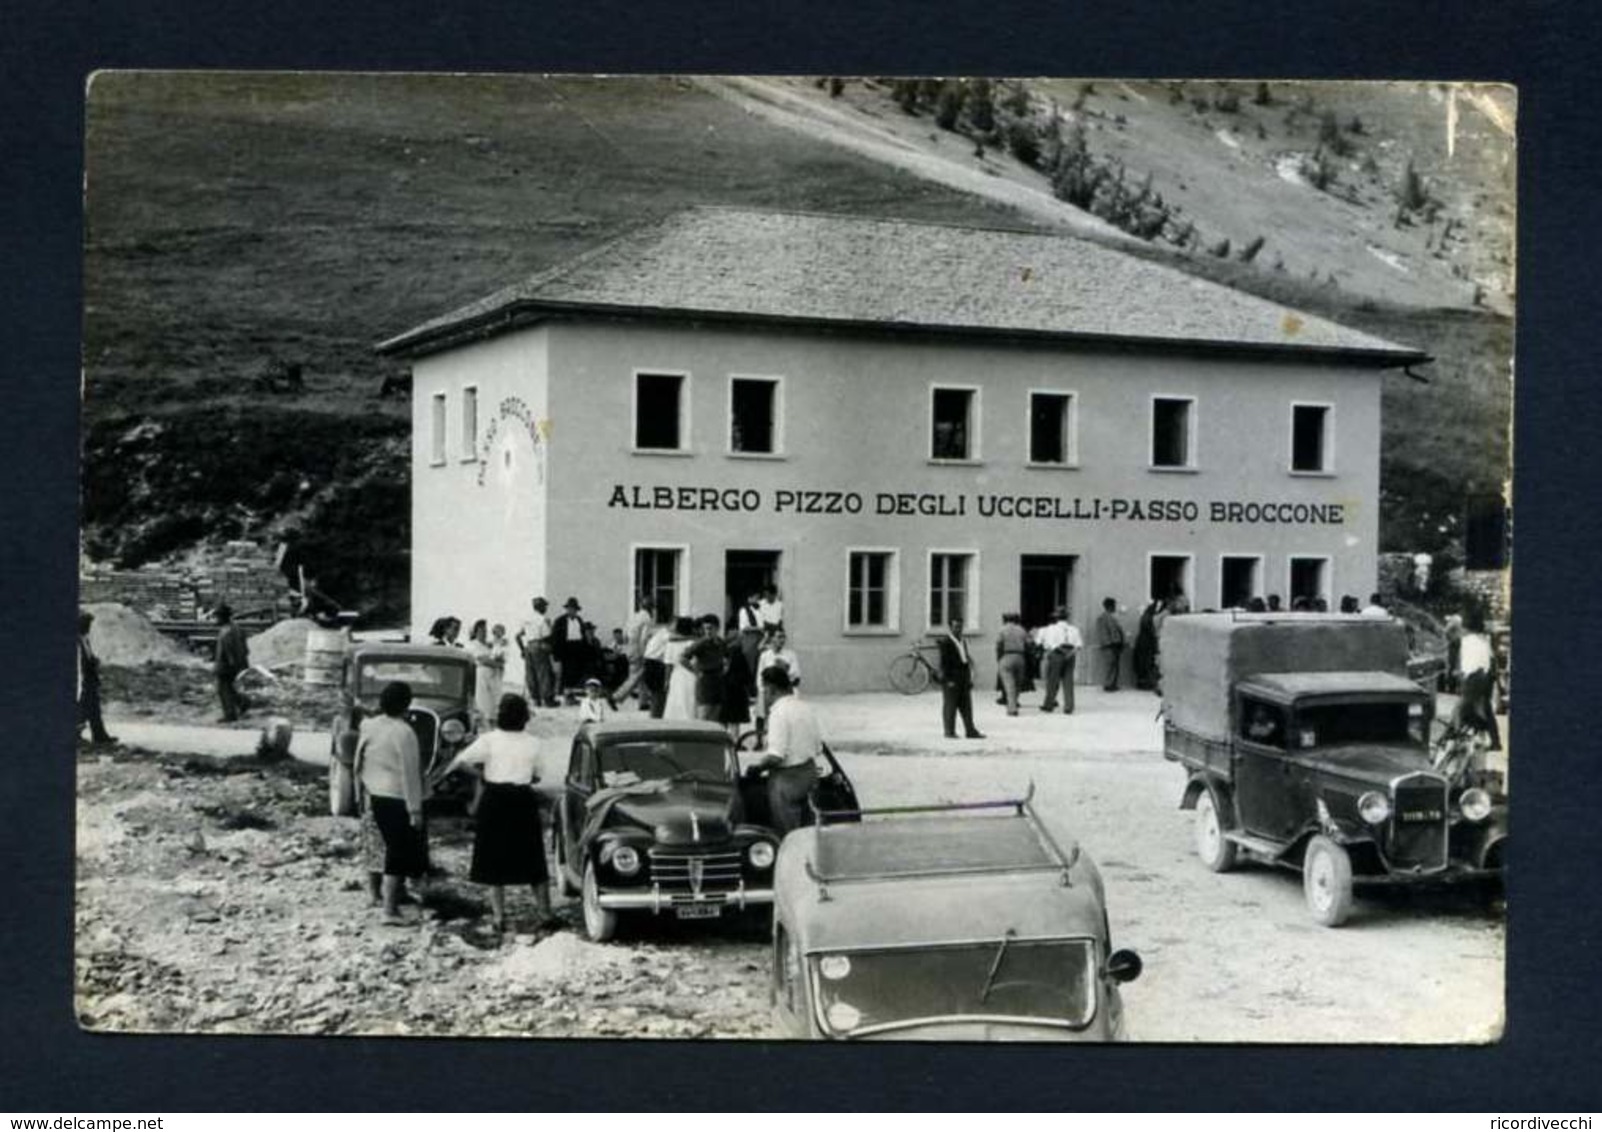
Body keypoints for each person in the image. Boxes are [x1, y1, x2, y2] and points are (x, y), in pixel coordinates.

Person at [440, 693, 554, 932]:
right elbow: (539, 775)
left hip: (495, 798)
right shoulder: (533, 743)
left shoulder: (489, 740)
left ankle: (499, 916)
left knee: (494, 857)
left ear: (500, 715)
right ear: (525, 717)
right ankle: (544, 912)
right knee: (532, 855)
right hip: (522, 798)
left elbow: (460, 761)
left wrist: (480, 775)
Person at [355, 681, 427, 925]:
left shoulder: (369, 725)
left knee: (375, 845)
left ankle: (375, 895)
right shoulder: (405, 732)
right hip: (396, 796)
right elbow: (411, 772)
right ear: (407, 704)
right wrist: (415, 808)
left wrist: (359, 790)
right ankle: (390, 910)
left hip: (371, 792)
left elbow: (358, 760)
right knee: (398, 853)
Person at [753, 666, 822, 834]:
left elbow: (776, 756)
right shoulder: (805, 707)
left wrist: (756, 768)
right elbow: (818, 746)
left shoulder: (778, 713)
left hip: (787, 779)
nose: (764, 695)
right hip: (809, 772)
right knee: (808, 831)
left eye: (764, 690)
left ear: (771, 688)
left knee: (788, 833)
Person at [1454, 610, 1501, 751]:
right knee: (1486, 708)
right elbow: (1491, 660)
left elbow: (1466, 665)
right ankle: (1495, 741)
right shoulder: (1484, 640)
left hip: (1474, 677)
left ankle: (1458, 739)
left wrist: (1461, 676)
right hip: (1487, 676)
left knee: (1460, 709)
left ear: (1466, 627)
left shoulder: (1467, 641)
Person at [935, 617, 984, 740]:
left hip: (963, 674)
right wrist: (948, 680)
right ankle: (949, 731)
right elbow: (944, 662)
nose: (959, 629)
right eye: (956, 626)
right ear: (950, 628)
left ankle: (970, 730)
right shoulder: (946, 642)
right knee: (950, 705)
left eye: (960, 627)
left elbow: (965, 658)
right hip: (952, 676)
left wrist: (969, 677)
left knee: (966, 705)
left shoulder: (963, 641)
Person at [77, 610, 116, 745]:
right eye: (86, 623)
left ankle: (99, 736)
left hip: (90, 680)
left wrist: (94, 660)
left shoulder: (84, 639)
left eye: (89, 623)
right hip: (83, 681)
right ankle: (77, 734)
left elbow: (87, 658)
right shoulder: (76, 641)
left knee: (94, 709)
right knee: (82, 708)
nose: (89, 626)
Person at [611, 595, 656, 707]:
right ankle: (616, 697)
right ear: (650, 608)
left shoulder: (634, 617)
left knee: (640, 675)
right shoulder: (647, 619)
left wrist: (628, 647)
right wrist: (644, 652)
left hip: (630, 647)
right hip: (639, 649)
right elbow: (644, 638)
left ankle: (643, 702)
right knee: (636, 676)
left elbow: (625, 635)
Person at [1037, 607, 1082, 713]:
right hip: (1070, 654)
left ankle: (1048, 704)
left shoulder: (1051, 629)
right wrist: (1070, 653)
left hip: (1057, 654)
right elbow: (1079, 645)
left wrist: (1061, 652)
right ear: (1067, 617)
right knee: (1068, 681)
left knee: (1053, 680)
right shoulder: (1074, 629)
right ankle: (1069, 706)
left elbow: (1051, 645)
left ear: (1056, 617)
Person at [683, 613, 728, 722]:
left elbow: (726, 656)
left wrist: (725, 667)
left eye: (710, 628)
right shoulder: (701, 643)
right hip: (705, 680)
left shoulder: (721, 642)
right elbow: (682, 658)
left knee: (716, 713)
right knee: (704, 714)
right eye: (705, 629)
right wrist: (695, 671)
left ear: (717, 628)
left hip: (718, 679)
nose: (708, 631)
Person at [516, 597, 557, 709]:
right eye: (544, 606)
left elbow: (517, 636)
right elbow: (547, 636)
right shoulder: (542, 619)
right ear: (541, 607)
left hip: (528, 646)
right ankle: (547, 699)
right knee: (543, 672)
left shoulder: (526, 619)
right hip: (539, 645)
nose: (546, 608)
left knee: (531, 673)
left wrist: (522, 650)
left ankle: (535, 699)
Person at [214, 603, 250, 722]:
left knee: (223, 689)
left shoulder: (225, 632)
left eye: (217, 617)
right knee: (229, 688)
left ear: (222, 617)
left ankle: (230, 714)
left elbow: (228, 651)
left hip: (226, 666)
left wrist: (231, 665)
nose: (215, 620)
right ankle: (243, 702)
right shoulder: (237, 628)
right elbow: (245, 648)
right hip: (238, 663)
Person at [661, 617, 700, 721]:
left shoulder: (671, 643)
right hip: (690, 673)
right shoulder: (693, 643)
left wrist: (666, 680)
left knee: (676, 698)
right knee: (690, 698)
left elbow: (668, 664)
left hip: (676, 674)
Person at [465, 619, 504, 724]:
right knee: (483, 700)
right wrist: (498, 664)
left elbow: (500, 656)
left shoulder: (488, 645)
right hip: (482, 675)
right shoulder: (472, 645)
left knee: (494, 700)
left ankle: (493, 719)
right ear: (475, 632)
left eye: (485, 630)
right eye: (481, 630)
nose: (484, 633)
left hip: (494, 675)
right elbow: (483, 660)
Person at [993, 612, 1030, 716]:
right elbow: (1028, 644)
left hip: (1007, 655)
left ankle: (1012, 708)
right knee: (1018, 684)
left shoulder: (1002, 630)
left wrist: (999, 658)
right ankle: (1014, 702)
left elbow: (998, 645)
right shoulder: (1021, 630)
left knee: (1009, 684)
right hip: (1020, 656)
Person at [551, 597, 587, 703]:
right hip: (565, 649)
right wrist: (556, 654)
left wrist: (583, 650)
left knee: (574, 673)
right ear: (567, 609)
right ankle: (566, 696)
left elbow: (583, 635)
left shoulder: (579, 620)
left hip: (577, 649)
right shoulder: (560, 621)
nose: (572, 611)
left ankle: (571, 695)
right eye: (570, 609)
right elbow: (556, 638)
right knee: (566, 674)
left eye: (574, 609)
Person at [720, 628, 753, 736]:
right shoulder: (738, 653)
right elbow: (747, 674)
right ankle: (735, 741)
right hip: (737, 690)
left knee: (723, 719)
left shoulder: (723, 652)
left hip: (724, 689)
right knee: (735, 721)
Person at [641, 618, 672, 719]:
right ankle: (655, 719)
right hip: (656, 664)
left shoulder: (660, 632)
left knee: (656, 695)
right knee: (659, 694)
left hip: (649, 662)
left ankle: (654, 717)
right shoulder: (667, 635)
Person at [1094, 597, 1126, 692]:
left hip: (1112, 645)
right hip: (1110, 645)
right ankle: (1109, 684)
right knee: (1110, 665)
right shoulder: (1105, 618)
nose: (1115, 607)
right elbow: (1109, 632)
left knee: (1114, 665)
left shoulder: (1109, 617)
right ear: (1110, 606)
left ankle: (1112, 684)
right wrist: (1114, 643)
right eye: (1114, 605)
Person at [735, 592, 765, 693]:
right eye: (755, 597)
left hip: (761, 639)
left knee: (760, 664)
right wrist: (758, 628)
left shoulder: (761, 610)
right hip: (750, 639)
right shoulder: (744, 610)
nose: (757, 599)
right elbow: (744, 627)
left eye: (758, 597)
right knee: (749, 665)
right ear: (749, 599)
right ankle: (747, 691)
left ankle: (757, 689)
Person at [1132, 598, 1163, 691]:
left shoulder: (1146, 617)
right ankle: (1145, 683)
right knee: (1145, 663)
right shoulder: (1147, 618)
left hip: (1144, 643)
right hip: (1146, 644)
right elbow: (1150, 631)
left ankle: (1144, 682)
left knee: (1144, 663)